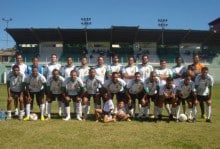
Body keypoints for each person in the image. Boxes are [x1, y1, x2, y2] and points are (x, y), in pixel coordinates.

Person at [187, 54, 205, 118]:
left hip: (200, 84)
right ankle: (191, 114)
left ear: (199, 59)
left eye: (197, 58)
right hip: (192, 84)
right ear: (193, 59)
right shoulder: (190, 66)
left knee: (201, 99)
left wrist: (194, 72)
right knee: (192, 99)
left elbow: (203, 73)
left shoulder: (202, 66)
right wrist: (198, 73)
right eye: (194, 58)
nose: (195, 59)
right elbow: (190, 73)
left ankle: (203, 114)